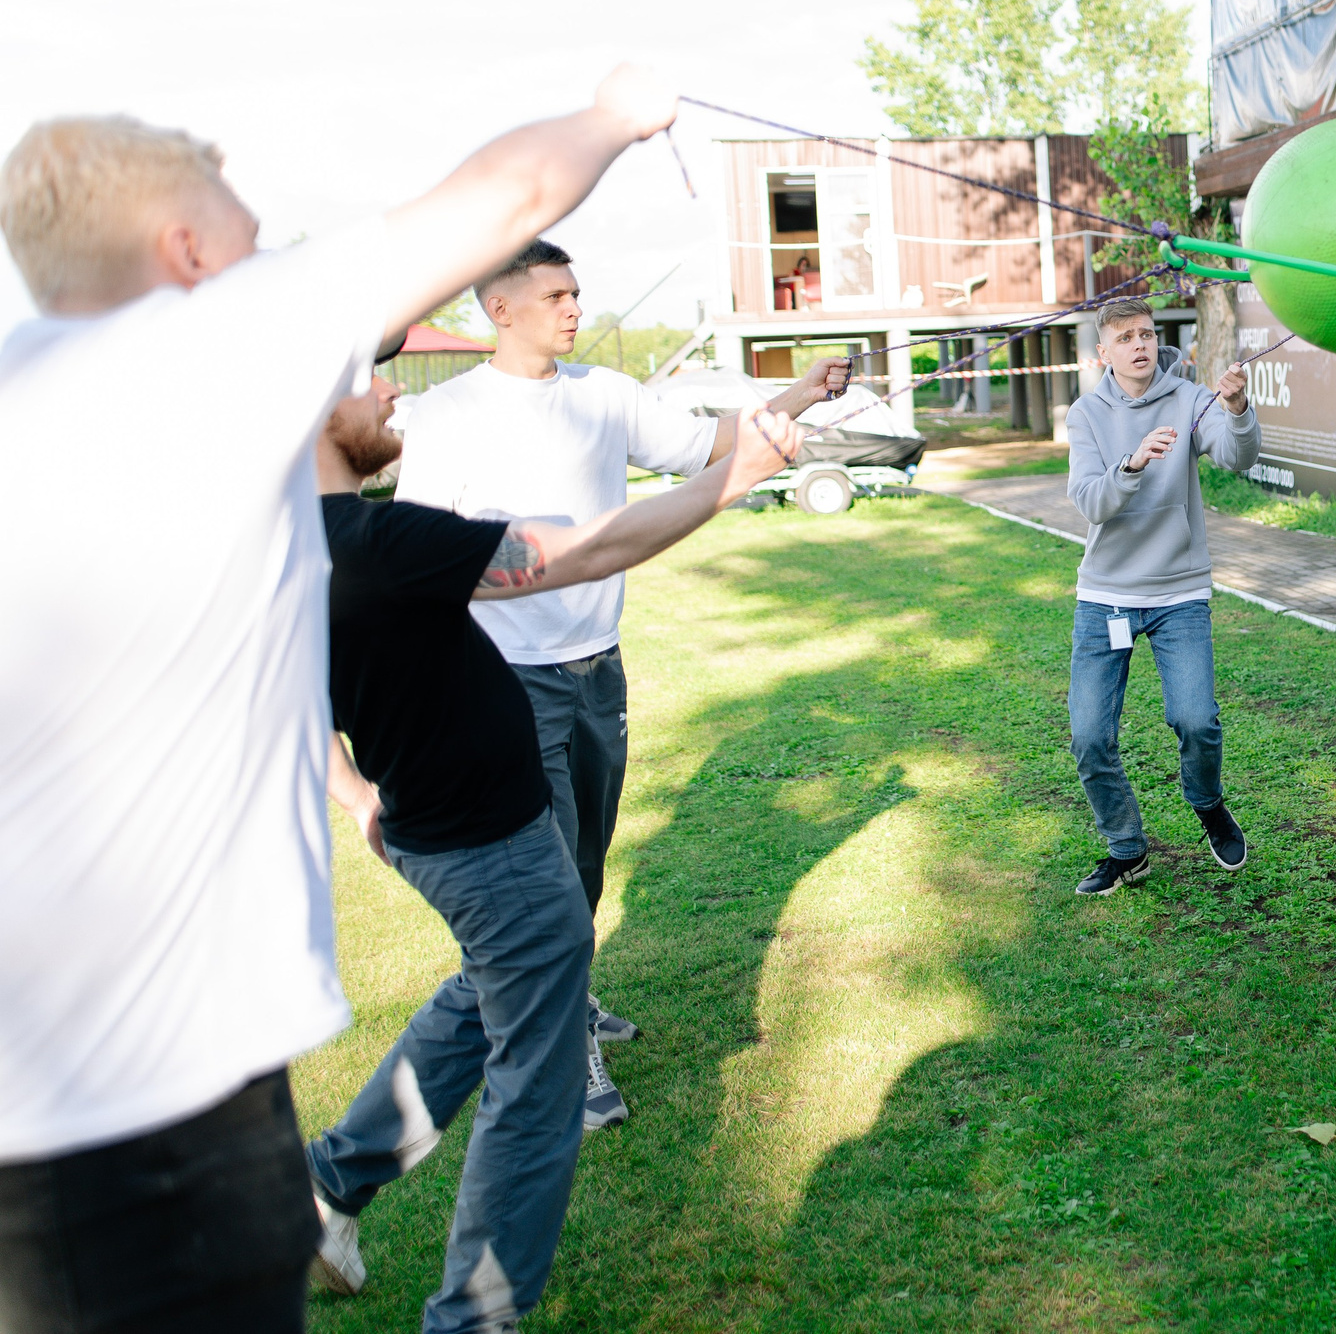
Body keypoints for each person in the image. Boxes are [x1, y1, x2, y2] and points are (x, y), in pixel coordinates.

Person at [0, 68, 678, 1334]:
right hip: (144, 1109)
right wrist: (616, 112)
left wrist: (354, 789)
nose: (272, 257)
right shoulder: (195, 354)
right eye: (248, 232)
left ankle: (339, 1190)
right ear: (184, 249)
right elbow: (510, 194)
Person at [303, 375, 800, 1328]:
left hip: (446, 828)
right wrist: (732, 479)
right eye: (361, 382)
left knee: (493, 989)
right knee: (536, 1081)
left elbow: (289, 714)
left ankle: (327, 1191)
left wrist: (363, 799)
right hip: (486, 841)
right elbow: (593, 549)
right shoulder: (375, 543)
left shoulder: (281, 556)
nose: (388, 390)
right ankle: (473, 1318)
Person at [392, 240, 849, 1128]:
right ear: (501, 307)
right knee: (550, 876)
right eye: (555, 295)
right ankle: (567, 1045)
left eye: (575, 293)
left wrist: (797, 395)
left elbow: (708, 445)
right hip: (506, 681)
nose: (572, 308)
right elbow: (415, 553)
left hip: (599, 667)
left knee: (588, 858)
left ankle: (578, 994)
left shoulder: (604, 394)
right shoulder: (446, 414)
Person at [1061, 300, 1259, 895]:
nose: (1140, 345)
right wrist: (1132, 463)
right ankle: (1126, 848)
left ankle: (1206, 801)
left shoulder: (1190, 397)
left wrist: (1237, 408)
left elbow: (1238, 456)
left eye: (1147, 334)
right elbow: (1089, 500)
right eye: (1125, 338)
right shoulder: (1086, 413)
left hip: (1179, 591)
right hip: (1106, 596)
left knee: (1196, 720)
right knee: (1090, 735)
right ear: (1105, 352)